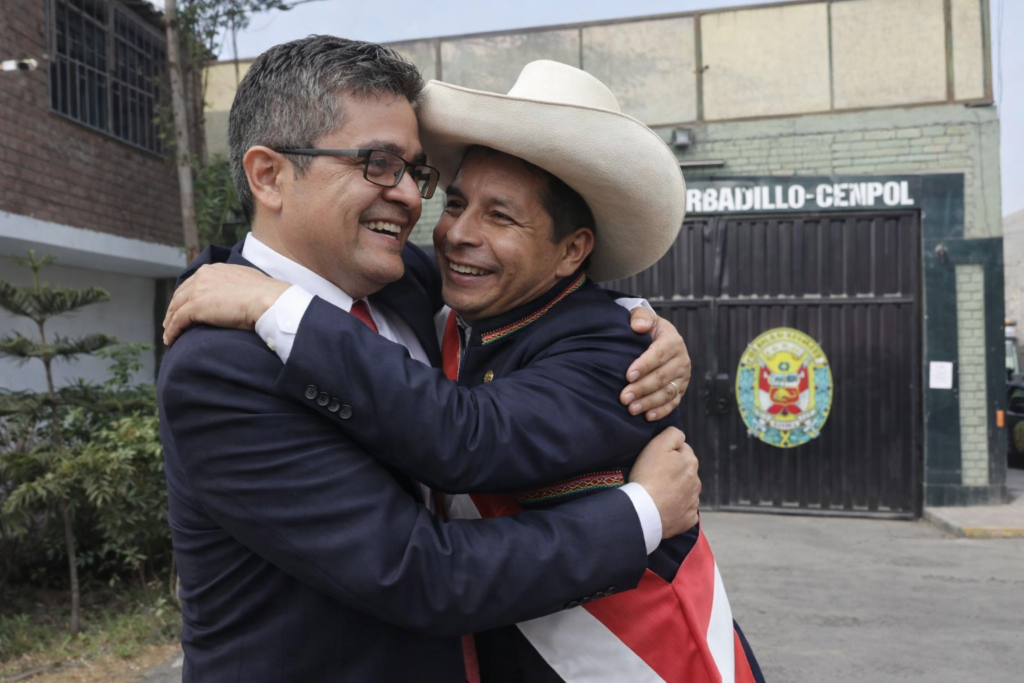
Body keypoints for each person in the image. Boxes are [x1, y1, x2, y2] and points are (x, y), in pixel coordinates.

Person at [164, 58, 764, 682]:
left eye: (413, 172)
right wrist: (643, 511)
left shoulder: (405, 287)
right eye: (378, 164)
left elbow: (499, 381)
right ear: (268, 175)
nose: (412, 201)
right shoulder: (219, 364)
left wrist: (643, 323)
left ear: (573, 248)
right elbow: (424, 575)